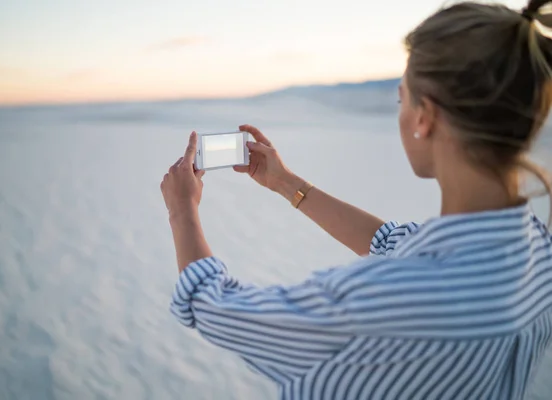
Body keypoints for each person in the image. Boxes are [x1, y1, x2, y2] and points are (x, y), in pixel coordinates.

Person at [160, 0, 552, 398]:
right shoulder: (537, 249)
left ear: (424, 117)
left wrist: (182, 209)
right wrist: (284, 182)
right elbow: (390, 242)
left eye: (403, 99)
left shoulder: (385, 301)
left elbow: (215, 307)